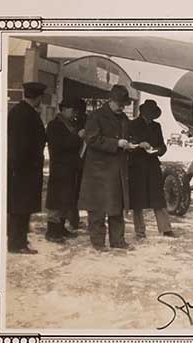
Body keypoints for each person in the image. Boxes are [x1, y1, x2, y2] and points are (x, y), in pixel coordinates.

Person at [77, 85, 133, 251]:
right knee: (97, 208)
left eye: (124, 104)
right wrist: (116, 143)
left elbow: (126, 136)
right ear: (111, 100)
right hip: (98, 170)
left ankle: (118, 240)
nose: (122, 107)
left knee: (116, 206)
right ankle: (98, 242)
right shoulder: (96, 116)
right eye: (119, 104)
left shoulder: (123, 118)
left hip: (117, 170)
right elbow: (91, 138)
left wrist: (130, 144)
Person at [7, 81, 47, 254]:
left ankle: (20, 240)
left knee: (22, 206)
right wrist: (21, 166)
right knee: (20, 207)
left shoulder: (20, 111)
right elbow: (20, 144)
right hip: (23, 169)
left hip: (23, 168)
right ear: (37, 97)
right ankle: (17, 243)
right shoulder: (25, 114)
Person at [128, 99, 175, 239]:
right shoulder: (133, 124)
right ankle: (140, 231)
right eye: (149, 113)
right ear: (143, 112)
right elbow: (128, 144)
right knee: (137, 200)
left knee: (158, 198)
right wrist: (139, 145)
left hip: (153, 165)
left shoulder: (157, 126)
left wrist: (159, 150)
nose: (151, 116)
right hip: (137, 166)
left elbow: (162, 145)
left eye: (153, 114)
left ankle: (165, 228)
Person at [44, 98, 85, 243]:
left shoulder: (69, 124)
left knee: (65, 199)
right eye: (72, 110)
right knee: (56, 200)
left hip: (69, 167)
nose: (75, 113)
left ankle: (60, 228)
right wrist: (77, 137)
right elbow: (61, 145)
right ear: (64, 109)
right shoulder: (54, 125)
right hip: (59, 168)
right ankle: (52, 232)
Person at [67, 98, 87, 230]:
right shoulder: (85, 121)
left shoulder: (75, 122)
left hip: (76, 159)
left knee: (73, 191)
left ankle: (73, 220)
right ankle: (74, 220)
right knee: (76, 191)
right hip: (81, 160)